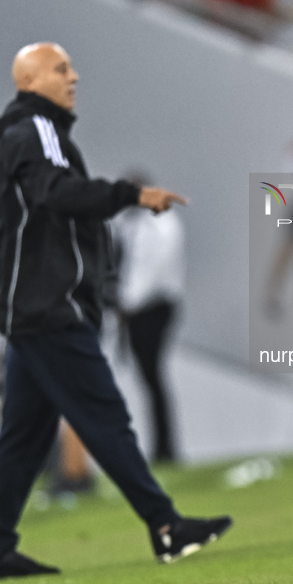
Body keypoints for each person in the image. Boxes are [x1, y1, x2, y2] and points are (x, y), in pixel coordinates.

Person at [0, 42, 232, 583]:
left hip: (29, 308)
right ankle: (165, 525)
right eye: (61, 68)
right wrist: (130, 195)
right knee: (105, 416)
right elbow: (56, 193)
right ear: (30, 80)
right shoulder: (37, 130)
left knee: (22, 436)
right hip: (51, 309)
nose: (74, 75)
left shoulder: (23, 134)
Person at [114, 192, 185, 463]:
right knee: (148, 378)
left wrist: (127, 303)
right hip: (138, 308)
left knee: (153, 376)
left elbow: (150, 273)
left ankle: (165, 447)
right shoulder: (130, 224)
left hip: (154, 308)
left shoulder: (162, 225)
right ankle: (161, 445)